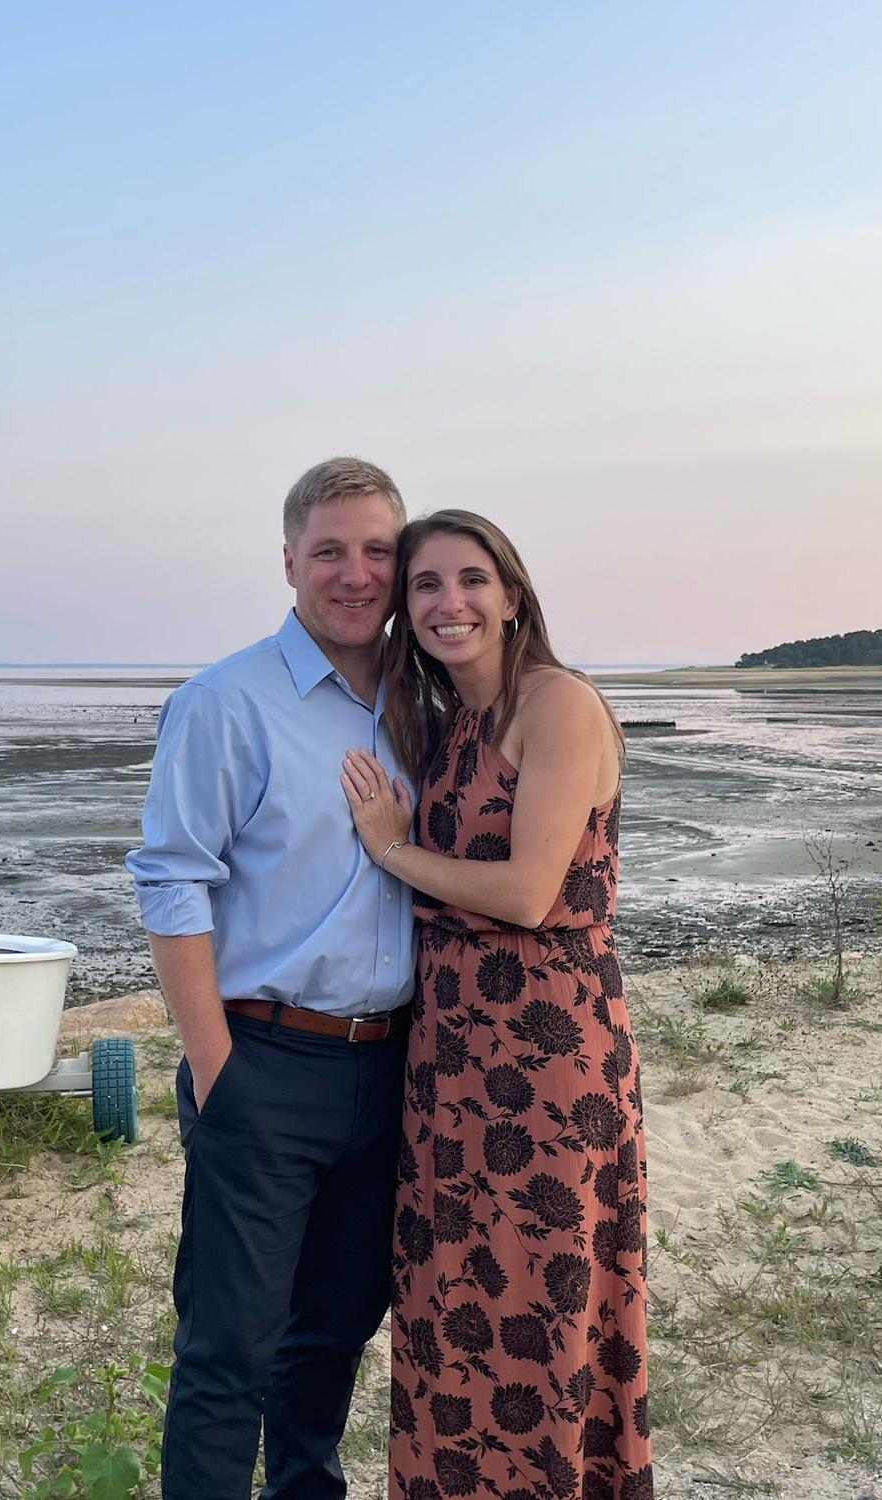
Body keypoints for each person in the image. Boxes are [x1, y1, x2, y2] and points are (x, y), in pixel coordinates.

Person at [340, 509, 653, 1500]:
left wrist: (392, 849)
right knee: (449, 1306)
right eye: (425, 586)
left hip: (547, 1064)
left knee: (535, 1311)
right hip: (453, 1062)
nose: (448, 603)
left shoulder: (555, 704)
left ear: (513, 595)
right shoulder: (453, 724)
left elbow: (526, 892)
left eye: (471, 580)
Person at [126, 457, 417, 1500]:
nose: (354, 573)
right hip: (262, 1060)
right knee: (228, 1350)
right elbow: (170, 885)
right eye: (330, 550)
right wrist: (218, 1071)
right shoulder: (226, 701)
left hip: (386, 1070)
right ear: (288, 560)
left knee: (335, 1329)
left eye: (377, 549)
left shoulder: (420, 702)